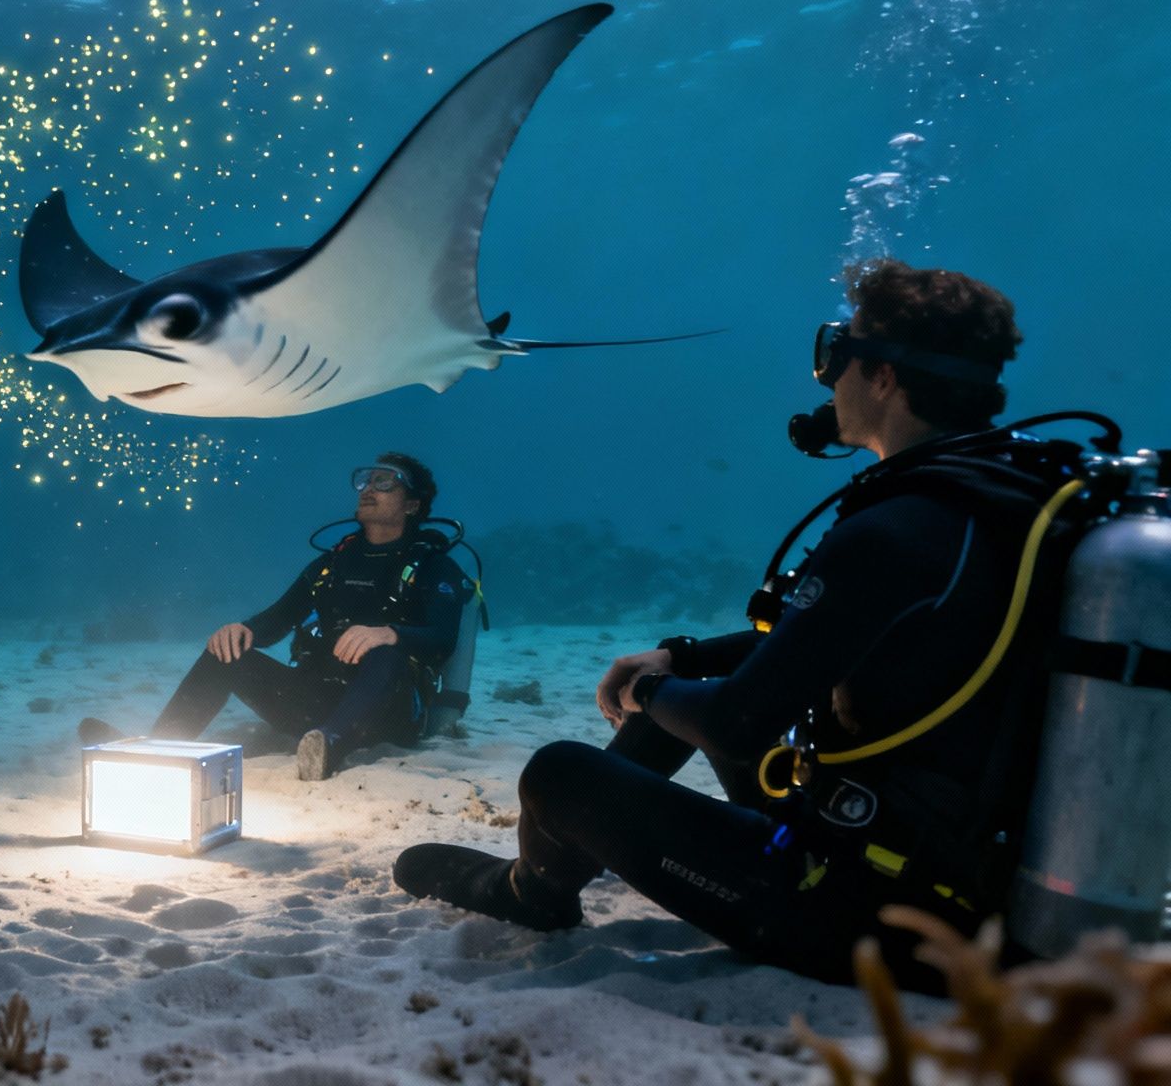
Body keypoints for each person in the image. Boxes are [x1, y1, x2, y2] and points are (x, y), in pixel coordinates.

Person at [394, 259, 1076, 993]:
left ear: (882, 378)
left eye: (835, 355)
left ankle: (532, 892)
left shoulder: (897, 529)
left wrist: (652, 691)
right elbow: (826, 639)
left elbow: (738, 724)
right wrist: (677, 658)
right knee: (685, 688)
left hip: (877, 909)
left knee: (560, 772)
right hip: (960, 872)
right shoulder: (1000, 507)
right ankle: (559, 865)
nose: (827, 378)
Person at [81, 452, 467, 781]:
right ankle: (158, 747)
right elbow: (277, 620)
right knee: (226, 651)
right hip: (315, 706)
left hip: (389, 715)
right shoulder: (332, 564)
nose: (368, 488)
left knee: (385, 652)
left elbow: (444, 637)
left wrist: (391, 634)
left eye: (385, 483)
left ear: (412, 505)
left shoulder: (433, 566)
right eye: (365, 480)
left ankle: (329, 749)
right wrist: (242, 629)